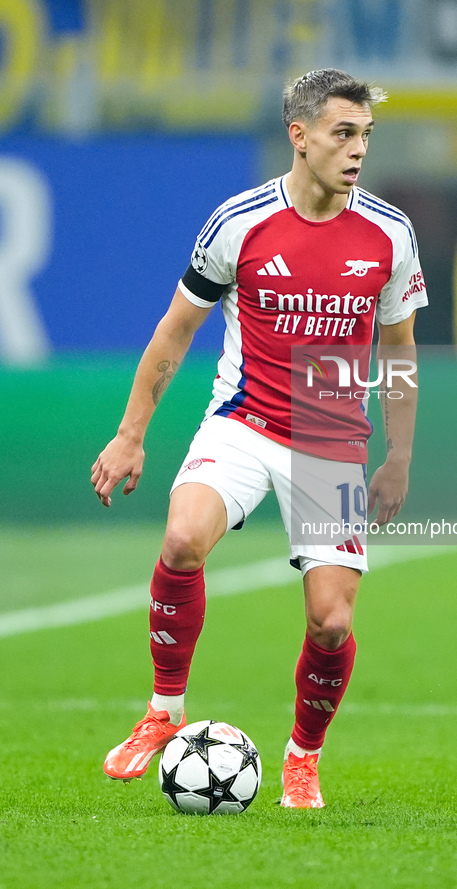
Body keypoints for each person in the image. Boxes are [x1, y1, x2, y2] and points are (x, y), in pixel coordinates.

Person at [91, 68, 428, 808]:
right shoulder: (238, 221)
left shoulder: (388, 234)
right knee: (182, 539)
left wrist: (398, 454)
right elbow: (174, 331)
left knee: (331, 622)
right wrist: (130, 435)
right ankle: (162, 712)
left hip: (331, 438)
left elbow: (399, 348)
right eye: (344, 133)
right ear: (298, 135)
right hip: (242, 421)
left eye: (365, 135)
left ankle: (302, 756)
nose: (358, 150)